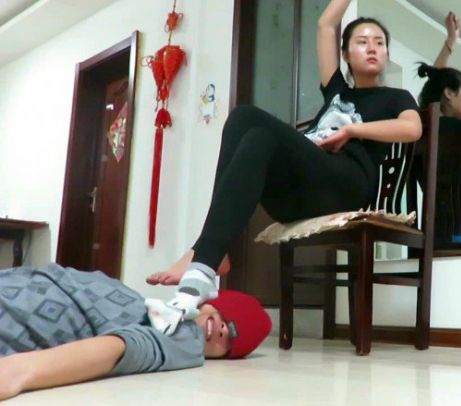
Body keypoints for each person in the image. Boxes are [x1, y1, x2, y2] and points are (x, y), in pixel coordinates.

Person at [146, 0, 421, 327]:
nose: (373, 48)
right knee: (251, 129)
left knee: (249, 119)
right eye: (362, 42)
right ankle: (213, 255)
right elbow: (325, 25)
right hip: (299, 194)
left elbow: (412, 129)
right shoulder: (336, 90)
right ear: (346, 54)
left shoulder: (395, 98)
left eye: (380, 43)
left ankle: (203, 260)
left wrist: (351, 130)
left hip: (346, 183)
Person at [0, 264, 271, 401]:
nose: (223, 329)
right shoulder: (154, 309)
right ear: (207, 301)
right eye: (226, 316)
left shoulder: (187, 337)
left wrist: (19, 372)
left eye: (231, 339)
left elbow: (128, 347)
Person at [416, 12, 461, 246]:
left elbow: (434, 85)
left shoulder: (422, 129)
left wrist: (451, 41)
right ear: (449, 93)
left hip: (433, 232)